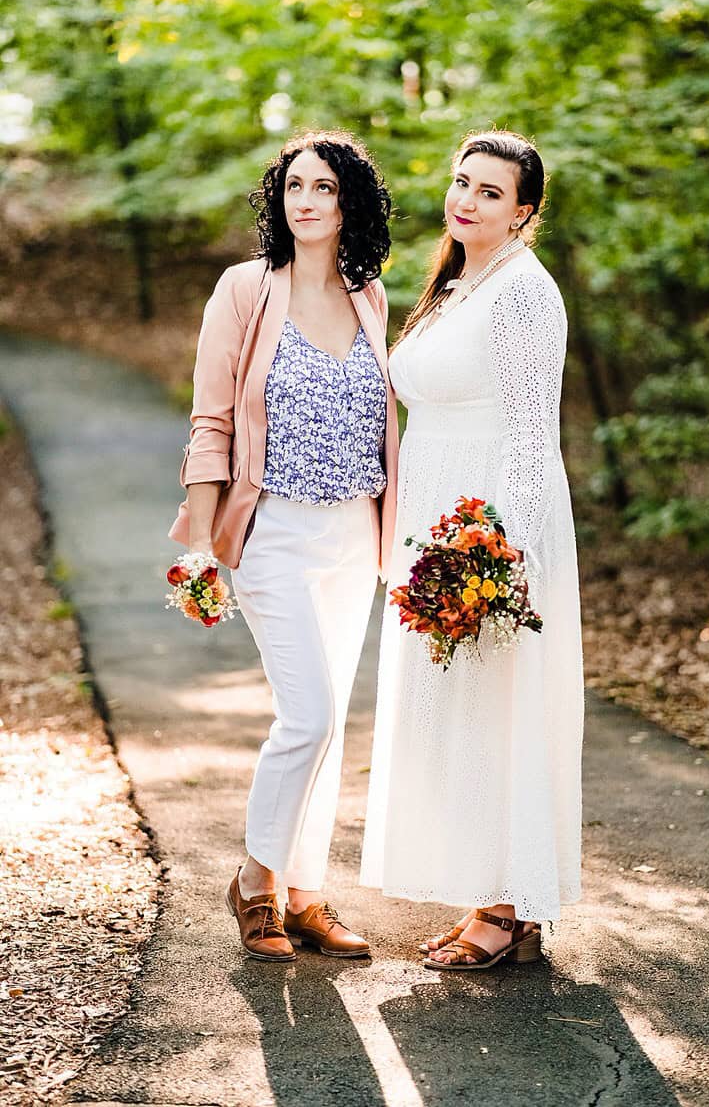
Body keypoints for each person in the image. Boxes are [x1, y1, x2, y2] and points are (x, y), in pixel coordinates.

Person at [171, 129, 397, 962]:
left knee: (330, 720)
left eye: (325, 188)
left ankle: (307, 894)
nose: (307, 200)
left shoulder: (369, 294)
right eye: (294, 186)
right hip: (271, 529)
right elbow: (212, 419)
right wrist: (200, 542)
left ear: (350, 204)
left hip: (354, 532)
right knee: (305, 715)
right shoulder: (243, 290)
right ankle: (256, 885)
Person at [360, 130, 584, 969]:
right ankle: (485, 892)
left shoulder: (525, 292)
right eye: (463, 183)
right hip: (435, 522)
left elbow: (532, 436)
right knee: (453, 715)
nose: (468, 200)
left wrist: (504, 558)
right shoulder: (459, 286)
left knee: (495, 710)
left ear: (524, 211)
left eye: (491, 192)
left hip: (486, 531)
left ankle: (508, 906)